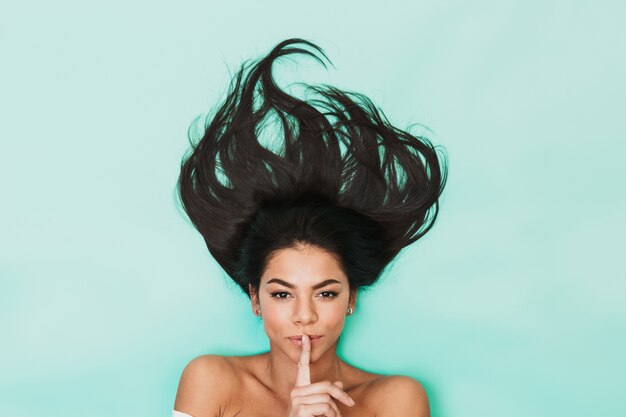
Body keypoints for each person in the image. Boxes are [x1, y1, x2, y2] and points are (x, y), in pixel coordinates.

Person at [173, 38, 448, 417]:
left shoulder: (396, 399)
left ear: (351, 299)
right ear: (255, 299)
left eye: (326, 293)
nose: (304, 316)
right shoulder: (212, 380)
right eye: (283, 294)